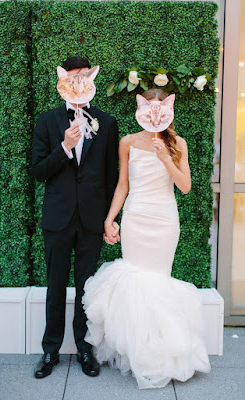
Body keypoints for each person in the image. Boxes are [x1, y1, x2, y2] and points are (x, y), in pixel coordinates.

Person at [82, 88, 211, 389]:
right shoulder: (127, 142)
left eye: (159, 110)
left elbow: (186, 186)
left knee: (158, 281)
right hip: (137, 217)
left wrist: (166, 158)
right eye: (148, 110)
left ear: (167, 111)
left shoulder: (178, 143)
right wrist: (110, 218)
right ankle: (137, 354)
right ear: (141, 112)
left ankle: (161, 352)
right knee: (136, 281)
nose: (154, 115)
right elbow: (122, 185)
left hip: (164, 219)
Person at [32, 56, 119, 379]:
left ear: (92, 78)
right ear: (63, 82)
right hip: (58, 217)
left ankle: (85, 350)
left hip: (92, 219)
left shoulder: (106, 122)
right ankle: (50, 351)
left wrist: (110, 218)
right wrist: (65, 147)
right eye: (72, 77)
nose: (78, 82)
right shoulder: (47, 121)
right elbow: (39, 171)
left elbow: (112, 175)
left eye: (83, 76)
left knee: (87, 288)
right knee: (55, 286)